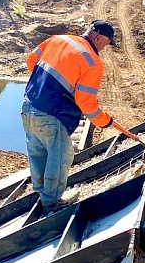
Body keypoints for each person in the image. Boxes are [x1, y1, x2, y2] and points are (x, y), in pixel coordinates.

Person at [21, 20, 127, 211]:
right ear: (98, 38)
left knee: (38, 152)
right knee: (61, 156)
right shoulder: (92, 62)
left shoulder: (57, 39)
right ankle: (51, 202)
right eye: (106, 43)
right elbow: (86, 105)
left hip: (29, 105)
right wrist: (104, 121)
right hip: (51, 114)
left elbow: (31, 60)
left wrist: (46, 87)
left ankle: (40, 192)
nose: (105, 48)